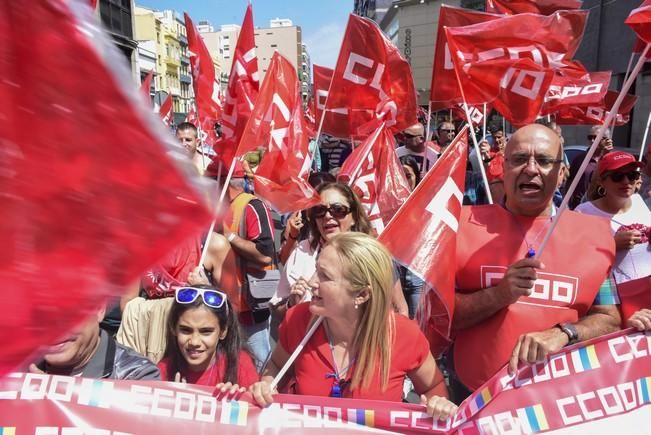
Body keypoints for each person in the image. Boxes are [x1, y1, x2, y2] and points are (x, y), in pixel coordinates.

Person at [450, 124, 621, 402]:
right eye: (519, 159)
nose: (531, 169)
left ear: (562, 173)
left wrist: (564, 333)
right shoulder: (459, 225)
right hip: (474, 396)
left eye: (543, 161)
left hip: (559, 396)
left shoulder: (596, 236)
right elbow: (438, 317)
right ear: (503, 170)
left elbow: (610, 318)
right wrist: (499, 294)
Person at [248, 233, 455, 420]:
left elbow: (433, 387)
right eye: (316, 270)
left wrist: (438, 403)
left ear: (362, 295)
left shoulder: (403, 334)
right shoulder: (299, 319)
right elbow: (275, 366)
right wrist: (267, 384)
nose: (312, 282)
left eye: (325, 276)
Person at [272, 182, 407, 317]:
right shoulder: (302, 251)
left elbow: (400, 310)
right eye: (319, 210)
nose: (327, 216)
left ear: (354, 216)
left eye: (338, 209)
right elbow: (277, 311)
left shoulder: (374, 256)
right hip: (309, 336)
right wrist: (291, 303)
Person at [193, 160, 276, 370]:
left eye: (211, 182)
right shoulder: (212, 208)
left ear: (225, 182)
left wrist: (228, 236)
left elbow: (265, 256)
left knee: (259, 365)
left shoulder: (253, 206)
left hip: (251, 308)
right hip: (221, 307)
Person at [158, 286, 258, 388]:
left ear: (223, 331)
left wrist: (239, 399)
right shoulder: (163, 371)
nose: (194, 342)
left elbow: (255, 401)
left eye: (206, 332)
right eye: (186, 330)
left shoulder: (240, 365)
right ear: (173, 328)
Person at [575, 151, 650, 286]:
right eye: (617, 176)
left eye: (632, 175)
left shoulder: (639, 201)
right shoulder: (583, 212)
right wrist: (612, 244)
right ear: (601, 181)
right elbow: (575, 258)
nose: (626, 181)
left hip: (645, 290)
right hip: (609, 294)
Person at [31, 308, 159, 380]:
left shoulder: (136, 376)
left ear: (99, 310)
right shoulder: (15, 370)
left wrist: (53, 398)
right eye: (41, 315)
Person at [565, 125, 614, 209]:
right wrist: (566, 202)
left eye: (596, 137)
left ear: (607, 140)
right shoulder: (580, 159)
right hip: (578, 206)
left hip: (601, 206)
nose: (592, 140)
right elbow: (569, 181)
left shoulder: (611, 160)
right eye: (590, 137)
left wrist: (607, 154)